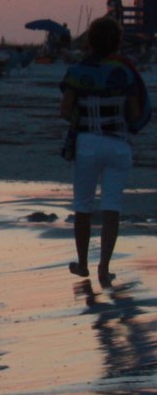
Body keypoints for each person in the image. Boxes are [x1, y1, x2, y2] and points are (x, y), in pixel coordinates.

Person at [60, 17, 148, 286]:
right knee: (112, 207)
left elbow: (65, 112)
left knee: (82, 206)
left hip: (87, 142)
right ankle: (105, 267)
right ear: (117, 41)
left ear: (90, 40)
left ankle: (83, 263)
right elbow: (135, 114)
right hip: (118, 144)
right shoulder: (124, 71)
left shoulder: (77, 72)